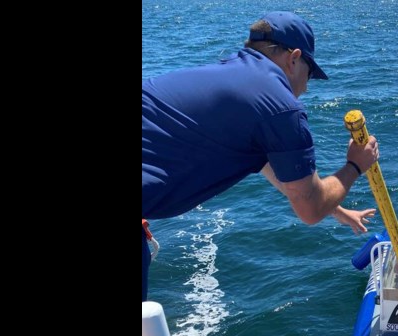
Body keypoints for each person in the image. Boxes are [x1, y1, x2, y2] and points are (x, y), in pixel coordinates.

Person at [142, 11, 379, 301]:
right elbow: (309, 209)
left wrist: (337, 211)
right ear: (293, 58)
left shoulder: (227, 78)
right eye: (310, 73)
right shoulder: (280, 106)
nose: (306, 87)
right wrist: (355, 165)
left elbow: (280, 175)